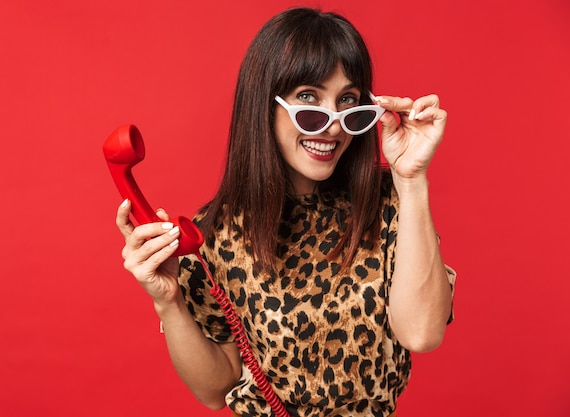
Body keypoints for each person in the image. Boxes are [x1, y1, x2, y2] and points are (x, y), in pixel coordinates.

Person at [115, 7, 456, 417]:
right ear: (265, 104)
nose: (332, 125)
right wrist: (168, 302)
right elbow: (214, 390)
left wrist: (413, 179)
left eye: (347, 101)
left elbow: (421, 333)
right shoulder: (215, 234)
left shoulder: (390, 200)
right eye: (309, 98)